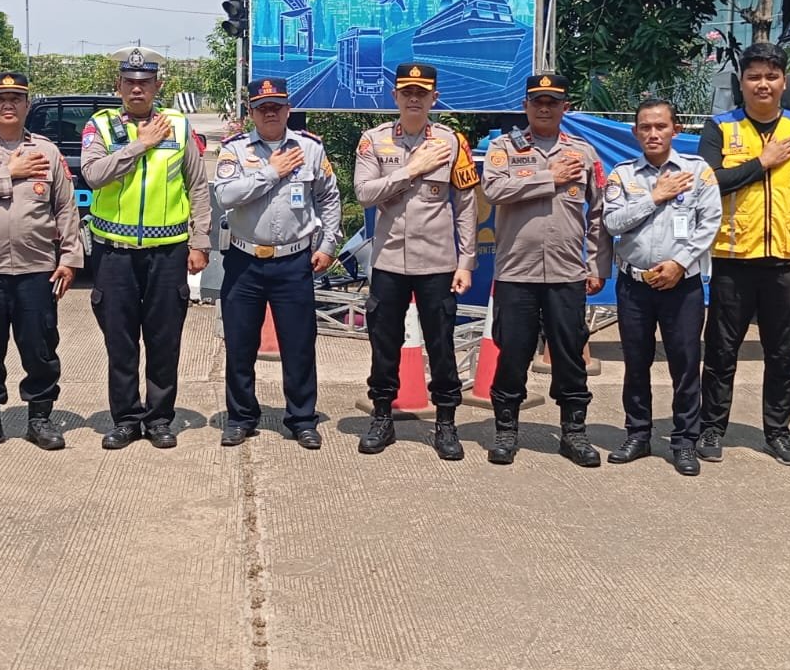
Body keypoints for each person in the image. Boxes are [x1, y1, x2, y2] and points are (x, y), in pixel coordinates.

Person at [697, 42, 790, 466]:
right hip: (733, 259)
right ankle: (712, 427)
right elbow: (708, 183)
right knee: (720, 351)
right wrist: (762, 163)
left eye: (771, 76)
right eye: (754, 77)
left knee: (783, 353)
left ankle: (778, 433)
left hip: (786, 260)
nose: (762, 84)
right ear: (741, 83)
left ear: (785, 82)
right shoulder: (720, 128)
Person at [81, 48, 210, 450]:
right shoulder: (100, 126)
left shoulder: (178, 125)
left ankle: (158, 419)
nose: (137, 89)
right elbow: (93, 175)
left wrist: (200, 240)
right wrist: (140, 145)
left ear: (158, 86)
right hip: (114, 254)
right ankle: (125, 419)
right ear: (118, 86)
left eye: (145, 82)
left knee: (163, 340)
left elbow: (198, 186)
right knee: (120, 342)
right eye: (130, 82)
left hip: (167, 253)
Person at [0, 71, 82, 454]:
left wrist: (70, 258)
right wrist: (8, 172)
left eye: (16, 99)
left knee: (40, 346)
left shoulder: (47, 152)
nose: (8, 105)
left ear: (27, 105)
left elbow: (65, 208)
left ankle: (39, 417)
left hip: (36, 269)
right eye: (0, 99)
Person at [481, 74, 610, 465]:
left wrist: (596, 264)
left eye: (552, 102)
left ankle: (574, 433)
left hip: (567, 273)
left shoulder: (583, 153)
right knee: (513, 352)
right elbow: (493, 190)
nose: (544, 108)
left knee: (570, 356)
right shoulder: (504, 148)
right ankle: (506, 431)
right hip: (516, 273)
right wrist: (548, 178)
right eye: (537, 101)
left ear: (564, 107)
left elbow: (599, 213)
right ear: (525, 106)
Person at [353, 63, 480, 460]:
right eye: (406, 92)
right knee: (384, 343)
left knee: (441, 345)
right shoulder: (374, 140)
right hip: (389, 260)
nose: (413, 99)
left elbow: (466, 205)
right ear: (394, 96)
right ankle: (382, 417)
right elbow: (364, 192)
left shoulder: (452, 142)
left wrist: (466, 261)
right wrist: (412, 170)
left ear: (433, 98)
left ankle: (446, 423)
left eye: (421, 93)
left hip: (437, 263)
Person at [212, 77, 342, 450]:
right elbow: (226, 195)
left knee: (299, 345)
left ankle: (302, 419)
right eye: (262, 108)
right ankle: (240, 418)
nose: (270, 113)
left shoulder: (310, 148)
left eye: (277, 106)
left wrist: (328, 244)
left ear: (288, 109)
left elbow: (329, 197)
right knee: (240, 345)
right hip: (244, 261)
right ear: (251, 112)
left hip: (294, 262)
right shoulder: (235, 150)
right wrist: (272, 171)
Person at [601, 98, 719, 476]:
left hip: (681, 284)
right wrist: (654, 197)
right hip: (634, 284)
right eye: (645, 127)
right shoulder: (623, 175)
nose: (653, 133)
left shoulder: (697, 172)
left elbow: (710, 223)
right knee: (636, 363)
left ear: (675, 130)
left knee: (685, 365)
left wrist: (679, 263)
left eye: (661, 126)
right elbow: (612, 222)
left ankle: (684, 441)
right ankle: (638, 434)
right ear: (635, 132)